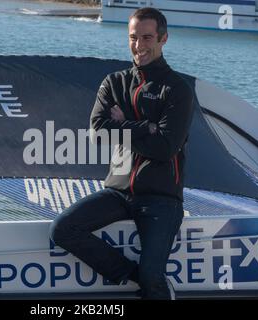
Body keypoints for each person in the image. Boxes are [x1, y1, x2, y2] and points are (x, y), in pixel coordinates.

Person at [49, 7, 194, 300]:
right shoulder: (114, 82)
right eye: (133, 37)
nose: (139, 45)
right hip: (117, 192)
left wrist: (121, 123)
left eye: (147, 38)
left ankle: (147, 280)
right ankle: (130, 275)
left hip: (161, 198)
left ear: (163, 39)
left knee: (154, 277)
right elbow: (97, 132)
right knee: (62, 229)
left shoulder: (177, 89)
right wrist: (145, 126)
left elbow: (165, 148)